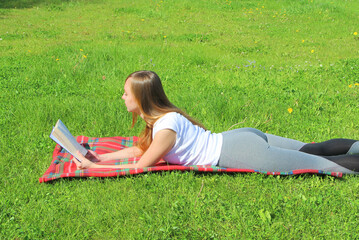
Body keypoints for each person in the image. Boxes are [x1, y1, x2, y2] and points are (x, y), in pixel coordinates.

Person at [74, 70, 359, 174]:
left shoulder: (165, 128)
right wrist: (101, 156)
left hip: (240, 150)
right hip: (239, 138)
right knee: (311, 149)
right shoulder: (164, 119)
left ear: (140, 97)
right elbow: (140, 151)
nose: (122, 97)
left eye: (126, 93)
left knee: (324, 166)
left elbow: (140, 164)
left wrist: (94, 167)